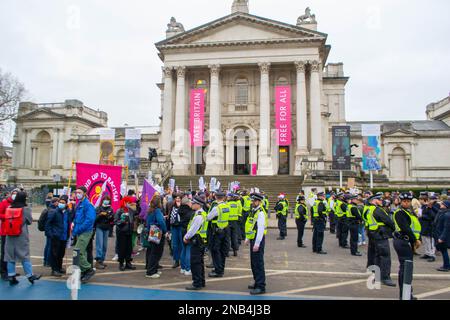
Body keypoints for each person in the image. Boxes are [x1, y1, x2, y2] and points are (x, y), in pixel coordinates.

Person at [4, 192, 41, 286]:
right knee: (24, 255)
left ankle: (11, 276)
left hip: (9, 235)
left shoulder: (9, 208)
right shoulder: (25, 209)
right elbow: (29, 221)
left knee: (10, 256)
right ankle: (30, 275)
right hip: (21, 235)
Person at [392, 192, 422, 300]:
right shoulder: (400, 212)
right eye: (404, 201)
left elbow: (415, 227)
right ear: (400, 201)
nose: (406, 203)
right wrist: (415, 240)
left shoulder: (409, 212)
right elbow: (405, 228)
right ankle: (404, 295)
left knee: (406, 269)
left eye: (408, 201)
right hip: (402, 241)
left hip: (406, 242)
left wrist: (417, 240)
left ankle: (407, 293)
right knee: (406, 269)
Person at [366, 192, 396, 287]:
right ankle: (385, 277)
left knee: (378, 256)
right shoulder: (378, 210)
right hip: (381, 235)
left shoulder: (368, 209)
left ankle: (377, 276)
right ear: (374, 201)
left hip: (373, 234)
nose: (381, 201)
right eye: (379, 199)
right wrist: (393, 228)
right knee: (385, 257)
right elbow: (389, 221)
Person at [183, 195, 208, 290]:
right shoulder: (202, 213)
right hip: (200, 241)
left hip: (197, 241)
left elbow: (193, 229)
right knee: (199, 262)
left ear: (198, 205)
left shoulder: (199, 216)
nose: (191, 204)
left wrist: (186, 237)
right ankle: (201, 281)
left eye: (193, 203)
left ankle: (197, 283)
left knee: (195, 263)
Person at [72, 186, 96, 283]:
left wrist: (79, 229)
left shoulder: (87, 205)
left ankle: (89, 269)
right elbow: (77, 218)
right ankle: (83, 272)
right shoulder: (80, 204)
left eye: (79, 192)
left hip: (85, 232)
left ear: (85, 193)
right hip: (79, 231)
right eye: (76, 192)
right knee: (82, 252)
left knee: (77, 252)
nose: (77, 194)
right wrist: (74, 225)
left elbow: (90, 220)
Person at [245, 193, 267, 295]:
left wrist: (257, 244)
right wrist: (247, 238)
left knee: (258, 263)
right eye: (251, 200)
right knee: (254, 263)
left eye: (253, 201)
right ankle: (256, 281)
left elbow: (260, 230)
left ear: (258, 201)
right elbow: (251, 226)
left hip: (258, 240)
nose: (251, 202)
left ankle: (261, 286)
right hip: (253, 239)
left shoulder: (260, 212)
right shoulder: (254, 211)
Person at [45, 195, 71, 277]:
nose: (61, 204)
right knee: (54, 254)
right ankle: (54, 269)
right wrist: (50, 234)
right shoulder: (54, 212)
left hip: (64, 236)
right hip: (56, 236)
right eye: (60, 202)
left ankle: (59, 267)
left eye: (63, 203)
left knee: (61, 253)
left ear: (66, 204)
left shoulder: (67, 212)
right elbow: (48, 224)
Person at [207, 190, 230, 278]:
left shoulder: (216, 207)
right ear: (224, 197)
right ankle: (221, 268)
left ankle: (218, 271)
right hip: (225, 229)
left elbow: (208, 218)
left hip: (217, 231)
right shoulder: (226, 206)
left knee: (215, 251)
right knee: (222, 251)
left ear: (216, 197)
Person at [145, 195, 167, 278]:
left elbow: (148, 222)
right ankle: (151, 272)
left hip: (151, 232)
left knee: (152, 252)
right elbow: (161, 222)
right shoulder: (157, 210)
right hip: (157, 232)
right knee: (156, 253)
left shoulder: (150, 210)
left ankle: (152, 269)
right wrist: (165, 230)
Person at [0, 188, 19, 281]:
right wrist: (8, 216)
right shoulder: (4, 203)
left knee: (13, 252)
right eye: (13, 193)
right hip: (5, 231)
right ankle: (3, 271)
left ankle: (11, 271)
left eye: (16, 193)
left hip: (15, 231)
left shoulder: (18, 204)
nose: (15, 195)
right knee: (4, 252)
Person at [114, 197, 137, 271]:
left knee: (129, 248)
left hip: (129, 231)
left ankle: (128, 263)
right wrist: (122, 221)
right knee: (122, 248)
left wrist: (136, 204)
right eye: (128, 202)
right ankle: (121, 263)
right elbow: (116, 221)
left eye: (130, 203)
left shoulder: (131, 210)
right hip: (121, 232)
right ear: (124, 202)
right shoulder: (119, 210)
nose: (129, 204)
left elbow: (137, 211)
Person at [95, 195, 114, 270]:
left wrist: (108, 215)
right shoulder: (98, 208)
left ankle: (102, 260)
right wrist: (100, 214)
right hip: (99, 227)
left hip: (106, 228)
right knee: (99, 244)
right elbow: (95, 219)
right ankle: (98, 261)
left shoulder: (111, 208)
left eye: (108, 200)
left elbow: (111, 219)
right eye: (105, 199)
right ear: (102, 200)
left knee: (104, 246)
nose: (106, 201)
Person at [419, 195, 438, 262]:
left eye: (420, 199)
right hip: (424, 225)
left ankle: (432, 255)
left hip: (430, 226)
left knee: (430, 241)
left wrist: (423, 216)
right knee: (425, 240)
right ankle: (427, 253)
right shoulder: (423, 206)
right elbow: (421, 214)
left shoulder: (435, 206)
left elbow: (433, 216)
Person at [433, 200, 450, 272]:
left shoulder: (447, 215)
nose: (440, 205)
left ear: (445, 206)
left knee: (444, 251)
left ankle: (446, 266)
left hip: (443, 236)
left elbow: (447, 227)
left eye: (442, 204)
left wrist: (442, 238)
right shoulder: (442, 212)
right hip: (440, 235)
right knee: (443, 251)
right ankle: (446, 265)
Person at [179, 195, 193, 276]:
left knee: (184, 249)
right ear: (187, 203)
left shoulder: (180, 210)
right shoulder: (190, 212)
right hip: (187, 231)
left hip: (182, 230)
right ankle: (188, 268)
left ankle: (183, 268)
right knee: (188, 249)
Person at [44, 197, 60, 267]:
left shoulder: (49, 209)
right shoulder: (53, 210)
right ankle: (48, 261)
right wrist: (50, 232)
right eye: (58, 202)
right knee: (50, 246)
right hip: (51, 231)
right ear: (55, 202)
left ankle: (46, 261)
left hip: (49, 231)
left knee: (48, 246)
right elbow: (49, 222)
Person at [168, 193, 182, 269]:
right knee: (175, 244)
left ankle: (182, 261)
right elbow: (169, 216)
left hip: (181, 227)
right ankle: (176, 261)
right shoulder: (171, 206)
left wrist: (180, 208)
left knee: (181, 244)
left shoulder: (183, 207)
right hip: (174, 227)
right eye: (176, 198)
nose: (178, 200)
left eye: (179, 198)